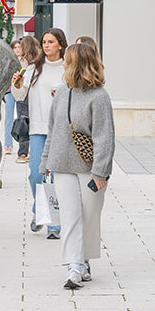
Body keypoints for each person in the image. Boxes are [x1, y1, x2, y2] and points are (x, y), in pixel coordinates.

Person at [41, 43, 115, 289]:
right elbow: (52, 129)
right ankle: (75, 265)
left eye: (67, 60)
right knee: (70, 216)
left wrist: (101, 171)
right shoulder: (63, 92)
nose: (62, 63)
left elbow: (105, 137)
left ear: (78, 64)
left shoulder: (99, 97)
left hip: (90, 167)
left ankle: (84, 260)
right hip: (62, 164)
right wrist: (45, 161)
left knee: (89, 216)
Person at [12, 27, 67, 239]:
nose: (46, 45)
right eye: (44, 42)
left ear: (60, 44)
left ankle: (53, 223)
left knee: (54, 178)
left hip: (61, 130)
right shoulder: (34, 68)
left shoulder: (67, 68)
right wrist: (16, 83)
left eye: (51, 42)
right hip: (37, 128)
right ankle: (39, 208)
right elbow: (19, 95)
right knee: (36, 174)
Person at [13, 36, 41, 163]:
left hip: (23, 96)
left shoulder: (21, 62)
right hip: (36, 96)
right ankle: (34, 152)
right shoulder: (41, 62)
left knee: (23, 121)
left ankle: (22, 153)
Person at [3, 39, 24, 155]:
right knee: (8, 118)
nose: (17, 49)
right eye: (15, 47)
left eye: (19, 47)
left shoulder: (25, 62)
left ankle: (23, 147)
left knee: (22, 119)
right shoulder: (8, 61)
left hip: (22, 92)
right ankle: (8, 145)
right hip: (9, 92)